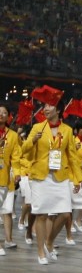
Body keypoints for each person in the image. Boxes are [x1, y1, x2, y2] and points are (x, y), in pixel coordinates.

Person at [23, 97, 82, 266]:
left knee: (65, 214)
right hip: (40, 177)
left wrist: (79, 178)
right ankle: (41, 251)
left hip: (60, 177)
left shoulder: (67, 130)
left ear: (58, 110)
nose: (46, 108)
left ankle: (49, 242)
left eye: (50, 105)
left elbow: (72, 156)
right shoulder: (37, 127)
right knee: (41, 214)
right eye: (44, 105)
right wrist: (33, 140)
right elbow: (25, 150)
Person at [0, 106, 23, 254]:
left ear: (9, 116)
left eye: (4, 113)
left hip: (5, 178)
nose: (1, 115)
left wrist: (17, 173)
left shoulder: (13, 135)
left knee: (7, 210)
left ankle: (8, 239)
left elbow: (16, 157)